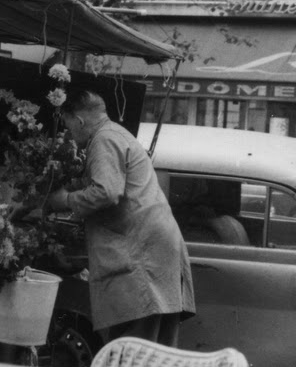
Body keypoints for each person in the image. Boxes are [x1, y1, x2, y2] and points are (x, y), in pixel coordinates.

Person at [48, 90, 195, 347]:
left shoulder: (103, 140)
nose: (68, 132)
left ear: (79, 120)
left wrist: (63, 200)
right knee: (154, 352)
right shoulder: (116, 133)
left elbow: (106, 192)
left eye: (68, 124)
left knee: (132, 352)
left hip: (143, 255)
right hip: (155, 251)